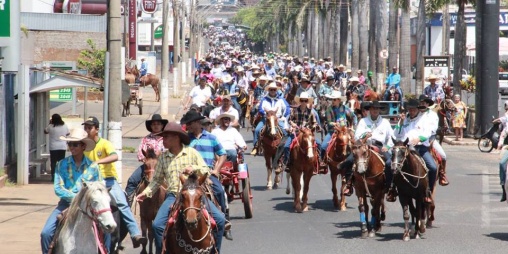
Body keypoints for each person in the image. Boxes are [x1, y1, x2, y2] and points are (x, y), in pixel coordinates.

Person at [135, 122, 225, 254]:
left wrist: (193, 168)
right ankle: (161, 251)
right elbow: (157, 180)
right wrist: (146, 193)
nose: (163, 140)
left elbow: (205, 169)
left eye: (166, 137)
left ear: (176, 138)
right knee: (157, 226)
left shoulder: (191, 152)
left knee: (220, 220)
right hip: (173, 196)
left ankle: (215, 250)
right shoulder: (163, 157)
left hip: (194, 194)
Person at [83, 116, 146, 248]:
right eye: (86, 128)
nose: (87, 130)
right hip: (91, 182)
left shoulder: (104, 143)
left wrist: (97, 162)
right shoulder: (84, 146)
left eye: (90, 128)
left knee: (122, 203)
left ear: (97, 129)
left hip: (108, 181)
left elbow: (115, 156)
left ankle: (135, 234)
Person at [40, 128, 101, 254]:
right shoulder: (61, 164)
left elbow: (98, 188)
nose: (71, 147)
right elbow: (58, 188)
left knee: (106, 232)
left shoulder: (93, 167)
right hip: (65, 204)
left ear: (83, 146)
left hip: (88, 207)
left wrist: (86, 201)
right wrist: (75, 198)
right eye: (70, 144)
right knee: (46, 233)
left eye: (75, 144)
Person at [180, 111, 233, 241]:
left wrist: (216, 170)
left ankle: (224, 220)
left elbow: (222, 154)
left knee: (220, 191)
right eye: (187, 124)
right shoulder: (186, 139)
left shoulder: (211, 138)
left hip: (207, 173)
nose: (188, 126)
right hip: (189, 176)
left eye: (190, 123)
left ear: (198, 123)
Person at [340, 101, 393, 196]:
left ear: (379, 110)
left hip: (380, 147)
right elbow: (356, 137)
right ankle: (349, 184)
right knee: (349, 161)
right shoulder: (363, 121)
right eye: (373, 108)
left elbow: (391, 137)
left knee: (390, 163)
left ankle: (390, 187)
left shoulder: (385, 122)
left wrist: (388, 146)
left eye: (377, 109)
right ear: (370, 110)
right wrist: (365, 135)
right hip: (364, 146)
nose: (375, 110)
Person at [392, 99, 437, 204]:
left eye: (413, 109)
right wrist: (401, 122)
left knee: (433, 167)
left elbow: (427, 133)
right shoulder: (404, 119)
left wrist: (419, 139)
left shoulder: (424, 119)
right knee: (392, 164)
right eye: (409, 110)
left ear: (418, 109)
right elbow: (397, 135)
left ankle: (428, 191)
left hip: (420, 148)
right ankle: (392, 188)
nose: (411, 111)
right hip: (405, 148)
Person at [125, 114, 168, 204]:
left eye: (158, 124)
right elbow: (140, 153)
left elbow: (170, 151)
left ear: (162, 125)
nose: (156, 126)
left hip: (163, 166)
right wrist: (145, 159)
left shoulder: (167, 139)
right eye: (154, 124)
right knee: (132, 180)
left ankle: (172, 206)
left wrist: (161, 155)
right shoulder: (146, 139)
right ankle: (127, 203)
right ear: (151, 126)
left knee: (173, 183)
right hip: (147, 166)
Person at [285, 92, 322, 174]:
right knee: (286, 146)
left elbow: (314, 123)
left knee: (319, 144)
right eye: (302, 100)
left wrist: (311, 128)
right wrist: (292, 124)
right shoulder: (294, 110)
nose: (304, 102)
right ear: (300, 101)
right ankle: (287, 163)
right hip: (297, 132)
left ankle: (319, 162)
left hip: (307, 134)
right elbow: (289, 119)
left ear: (307, 101)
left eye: (305, 101)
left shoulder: (311, 112)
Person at [419, 95, 449, 186]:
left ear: (428, 104)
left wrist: (425, 137)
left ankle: (442, 175)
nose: (422, 104)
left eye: (424, 103)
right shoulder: (416, 114)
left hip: (430, 139)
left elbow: (433, 128)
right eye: (421, 103)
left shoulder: (433, 115)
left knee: (443, 156)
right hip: (415, 140)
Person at [251, 82, 288, 155]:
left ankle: (286, 146)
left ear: (276, 90)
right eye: (271, 89)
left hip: (277, 119)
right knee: (257, 130)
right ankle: (256, 146)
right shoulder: (264, 99)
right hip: (266, 119)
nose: (273, 91)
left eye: (274, 90)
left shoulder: (281, 99)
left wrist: (284, 116)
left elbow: (287, 108)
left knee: (286, 131)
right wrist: (266, 114)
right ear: (269, 90)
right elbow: (260, 109)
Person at [320, 90, 355, 160]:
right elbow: (329, 122)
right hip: (333, 131)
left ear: (339, 100)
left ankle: (354, 162)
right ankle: (322, 161)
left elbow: (353, 116)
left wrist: (351, 126)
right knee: (323, 146)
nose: (332, 101)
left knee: (356, 145)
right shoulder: (329, 110)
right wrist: (335, 124)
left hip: (345, 131)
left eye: (334, 99)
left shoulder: (345, 108)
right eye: (332, 99)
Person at [44, 114, 69, 182]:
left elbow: (45, 131)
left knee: (53, 162)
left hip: (53, 147)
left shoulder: (51, 126)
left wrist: (50, 123)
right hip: (62, 146)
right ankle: (61, 176)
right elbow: (68, 133)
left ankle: (53, 176)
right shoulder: (64, 126)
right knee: (61, 162)